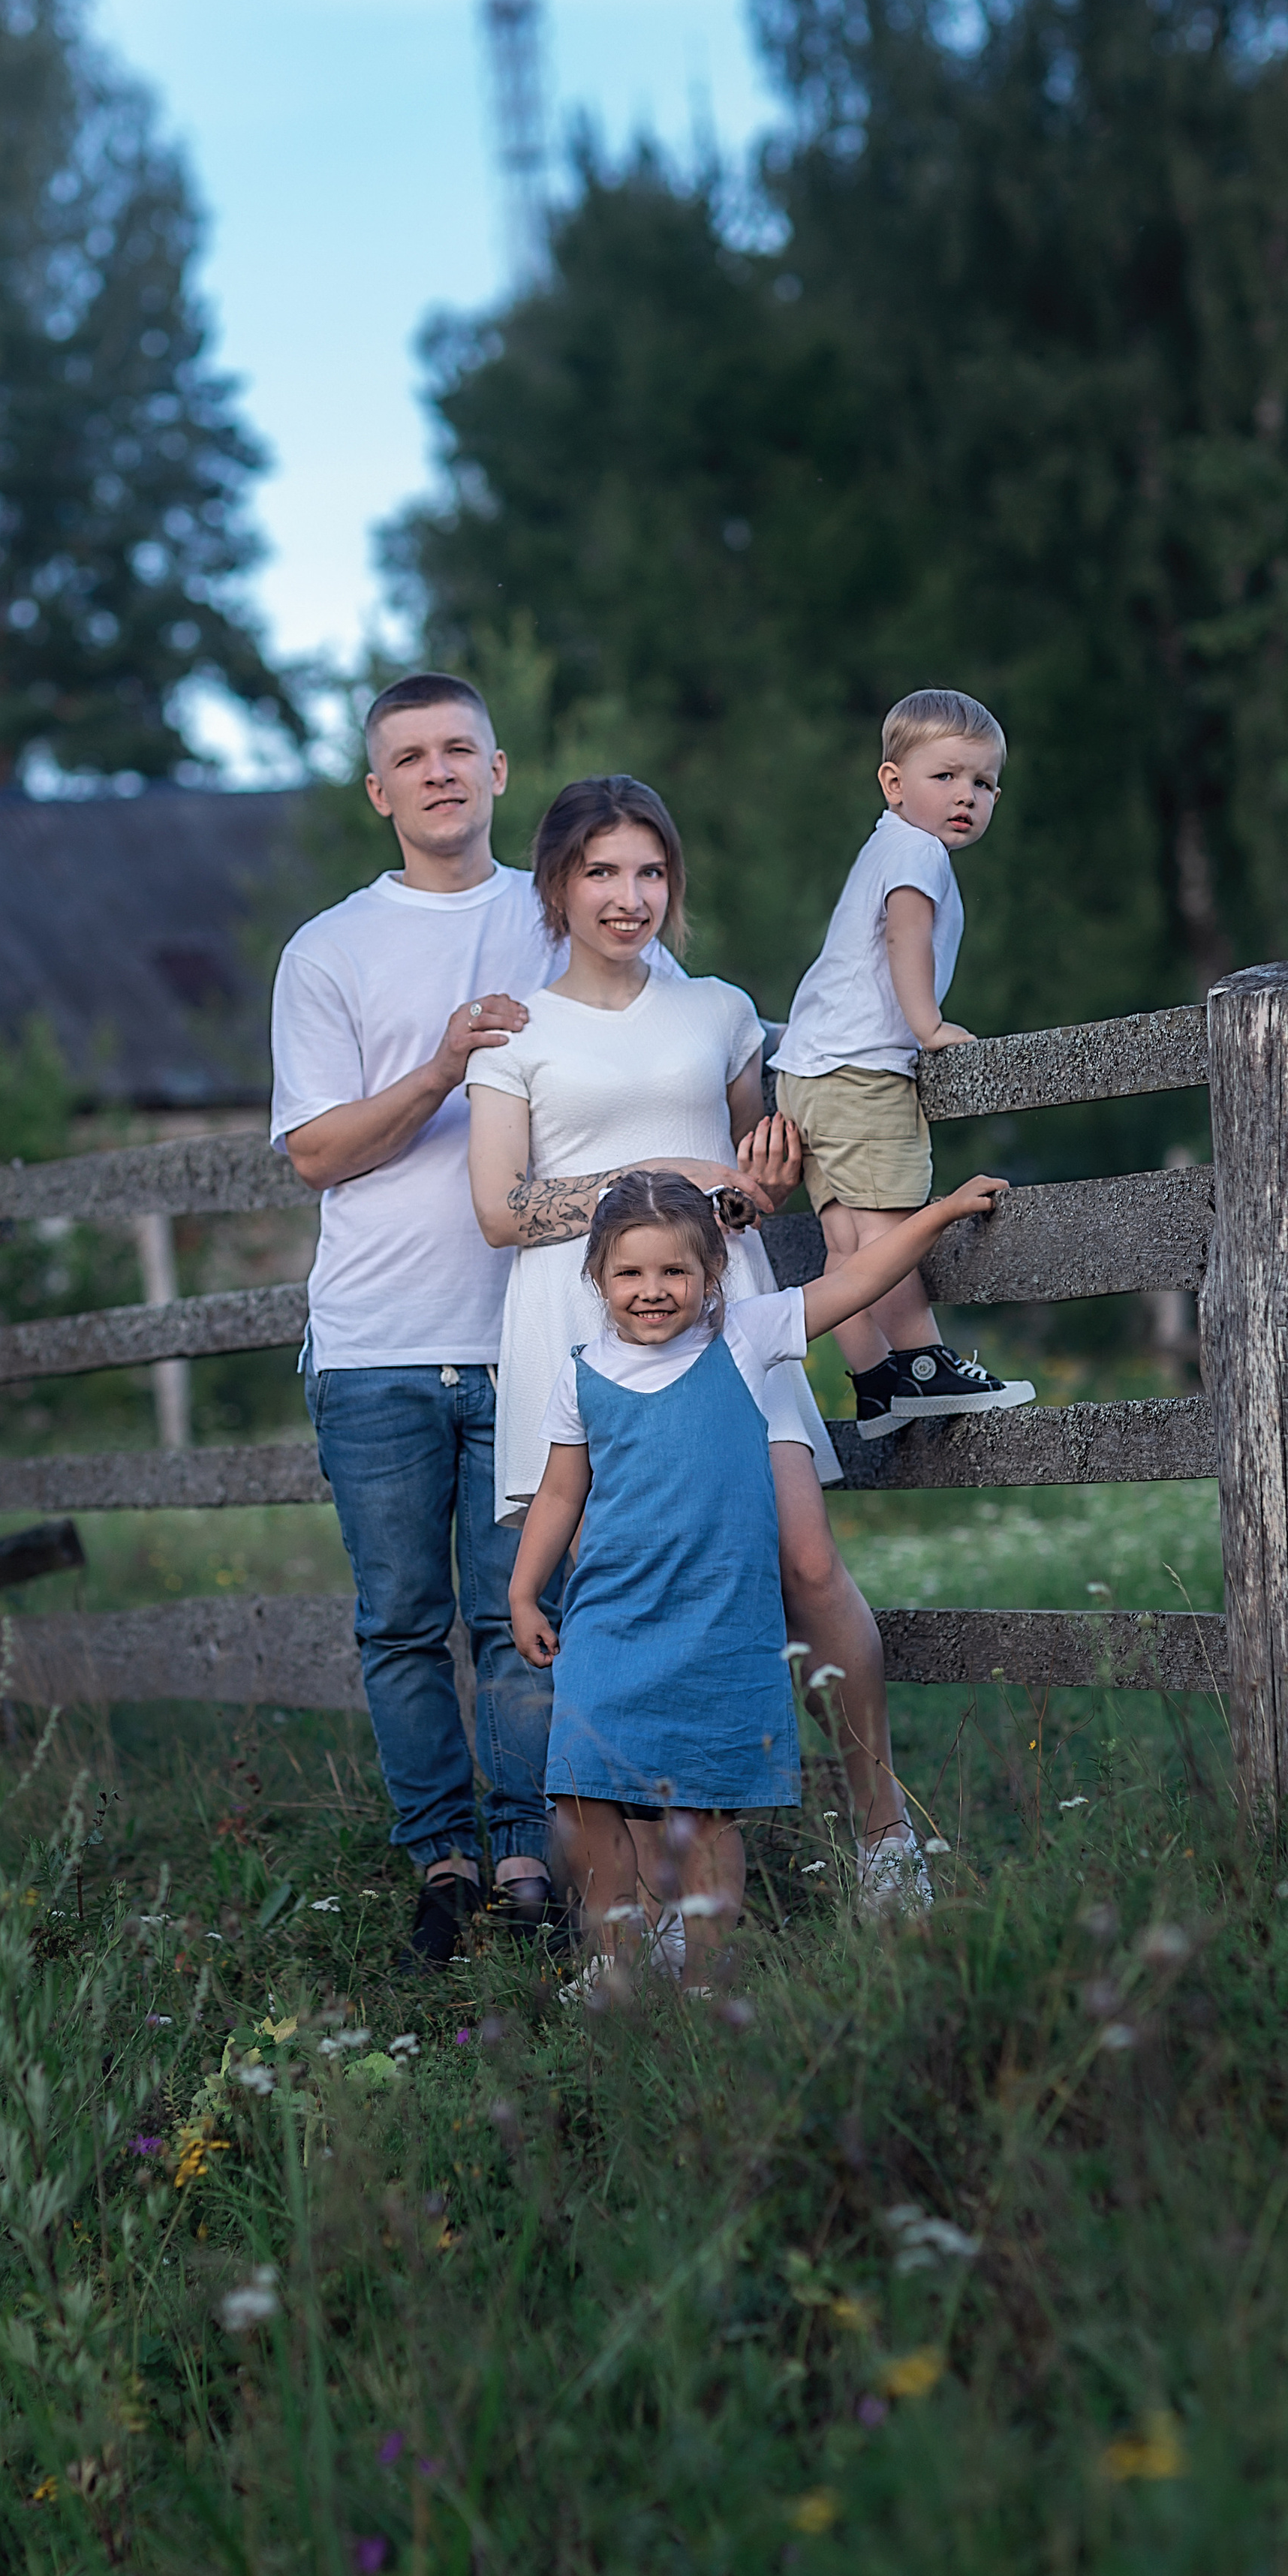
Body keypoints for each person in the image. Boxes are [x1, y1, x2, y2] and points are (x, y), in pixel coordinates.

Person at [465, 774, 933, 1916]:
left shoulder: (722, 1010)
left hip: (725, 1328)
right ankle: (642, 1905)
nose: (628, 897)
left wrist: (758, 1188)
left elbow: (749, 1182)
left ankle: (886, 1836)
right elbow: (498, 1208)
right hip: (578, 1327)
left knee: (808, 1566)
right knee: (616, 1609)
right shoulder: (516, 1036)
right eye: (601, 873)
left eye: (650, 872)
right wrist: (663, 1186)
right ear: (556, 887)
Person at [508, 1166, 1010, 1991]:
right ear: (597, 1277)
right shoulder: (580, 1372)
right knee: (581, 1796)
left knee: (700, 1809)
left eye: (675, 1271)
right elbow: (561, 1491)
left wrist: (941, 1212)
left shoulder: (743, 1338)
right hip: (608, 1621)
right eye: (629, 1273)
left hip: (715, 1625)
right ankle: (616, 1964)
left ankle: (702, 1981)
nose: (652, 1291)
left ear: (712, 1273)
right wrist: (526, 1591)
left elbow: (856, 1280)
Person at [270, 672, 567, 1969]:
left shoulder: (566, 917)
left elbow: (673, 1043)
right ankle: (440, 1861)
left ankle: (530, 1859)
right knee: (400, 1620)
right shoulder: (328, 950)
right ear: (380, 791)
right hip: (378, 1343)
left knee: (520, 1613)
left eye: (462, 749)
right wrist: (445, 1065)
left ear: (500, 772)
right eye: (413, 756)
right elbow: (316, 1154)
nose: (440, 771)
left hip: (532, 1331)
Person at [771, 688, 1036, 1437]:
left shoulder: (885, 844)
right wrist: (928, 1025)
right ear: (893, 783)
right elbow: (904, 935)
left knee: (845, 1243)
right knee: (890, 1234)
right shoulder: (915, 852)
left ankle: (877, 1382)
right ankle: (923, 1364)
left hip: (809, 1071)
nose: (966, 797)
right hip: (862, 1070)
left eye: (982, 785)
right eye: (946, 777)